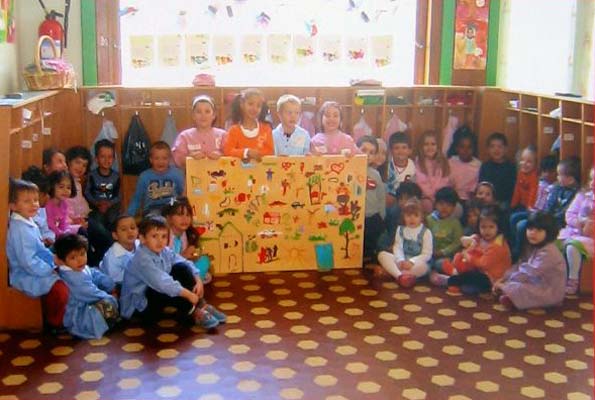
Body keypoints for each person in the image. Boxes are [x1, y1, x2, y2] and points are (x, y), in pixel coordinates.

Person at [120, 215, 226, 329]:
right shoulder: (141, 258)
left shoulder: (164, 251)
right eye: (154, 236)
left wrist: (198, 279)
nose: (160, 241)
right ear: (142, 238)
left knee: (181, 268)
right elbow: (161, 282)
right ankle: (194, 312)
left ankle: (200, 305)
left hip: (156, 293)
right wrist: (189, 295)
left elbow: (184, 262)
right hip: (138, 307)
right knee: (168, 285)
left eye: (164, 236)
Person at [6, 179, 69, 330]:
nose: (34, 204)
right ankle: (54, 322)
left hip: (36, 268)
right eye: (27, 201)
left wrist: (54, 259)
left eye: (35, 200)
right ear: (13, 206)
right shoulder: (19, 229)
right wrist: (50, 268)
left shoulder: (28, 221)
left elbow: (40, 249)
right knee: (60, 289)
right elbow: (28, 262)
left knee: (69, 273)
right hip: (25, 274)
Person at [493, 212, 566, 309]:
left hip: (549, 291)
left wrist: (504, 284)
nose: (532, 233)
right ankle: (511, 296)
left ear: (549, 233)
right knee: (514, 283)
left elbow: (530, 272)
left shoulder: (549, 252)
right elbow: (521, 265)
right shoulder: (534, 247)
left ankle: (511, 297)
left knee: (518, 287)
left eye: (539, 230)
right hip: (536, 283)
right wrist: (505, 278)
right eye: (530, 229)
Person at [434, 205, 512, 295]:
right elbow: (464, 241)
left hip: (490, 279)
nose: (487, 231)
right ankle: (456, 276)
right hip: (476, 270)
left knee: (471, 282)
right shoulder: (481, 238)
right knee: (440, 263)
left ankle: (450, 280)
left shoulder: (498, 245)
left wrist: (469, 258)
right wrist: (469, 239)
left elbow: (483, 264)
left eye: (491, 227)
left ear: (498, 227)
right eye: (483, 227)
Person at [55, 234, 119, 339]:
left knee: (108, 295)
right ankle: (105, 324)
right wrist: (113, 297)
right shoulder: (73, 278)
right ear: (63, 261)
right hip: (80, 315)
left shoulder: (77, 268)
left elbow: (94, 273)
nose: (80, 260)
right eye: (73, 257)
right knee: (109, 303)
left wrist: (109, 283)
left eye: (82, 254)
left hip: (87, 303)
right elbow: (92, 294)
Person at [510, 154, 558, 260]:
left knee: (522, 225)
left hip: (543, 216)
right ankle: (514, 245)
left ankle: (519, 251)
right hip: (534, 211)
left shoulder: (555, 187)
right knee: (514, 217)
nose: (547, 174)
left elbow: (549, 208)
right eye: (544, 171)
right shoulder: (541, 183)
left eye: (551, 172)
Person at [377, 199, 432, 288]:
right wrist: (400, 260)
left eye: (416, 215)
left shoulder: (426, 232)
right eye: (408, 216)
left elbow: (427, 254)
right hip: (402, 261)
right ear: (403, 217)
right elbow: (397, 247)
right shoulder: (400, 229)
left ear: (421, 217)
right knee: (382, 255)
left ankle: (392, 273)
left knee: (423, 267)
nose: (412, 219)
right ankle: (400, 276)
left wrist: (412, 261)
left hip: (416, 263)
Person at [558, 167, 594, 295]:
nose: (592, 183)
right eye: (591, 179)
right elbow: (569, 215)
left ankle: (573, 280)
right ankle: (553, 278)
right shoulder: (583, 196)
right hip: (573, 232)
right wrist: (581, 222)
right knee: (550, 243)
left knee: (572, 247)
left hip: (590, 239)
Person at [127, 141, 185, 217]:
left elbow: (183, 194)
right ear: (151, 160)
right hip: (152, 208)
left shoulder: (176, 174)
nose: (160, 162)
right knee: (155, 220)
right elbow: (137, 198)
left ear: (170, 159)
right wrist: (129, 215)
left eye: (164, 158)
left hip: (171, 206)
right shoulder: (144, 177)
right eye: (156, 158)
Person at [162, 197, 212, 283]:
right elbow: (162, 264)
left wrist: (193, 257)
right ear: (168, 218)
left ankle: (193, 283)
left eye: (188, 215)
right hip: (168, 272)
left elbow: (189, 261)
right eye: (180, 215)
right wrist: (183, 256)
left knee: (204, 260)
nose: (185, 219)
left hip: (183, 269)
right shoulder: (163, 236)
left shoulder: (189, 235)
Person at [172, 95, 225, 169]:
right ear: (193, 115)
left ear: (213, 115)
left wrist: (221, 155)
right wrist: (190, 158)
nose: (203, 115)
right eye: (199, 112)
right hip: (193, 175)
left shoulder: (223, 135)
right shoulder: (184, 136)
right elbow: (177, 159)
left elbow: (232, 155)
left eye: (207, 111)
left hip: (220, 175)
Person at [356, 135, 386, 263]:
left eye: (372, 152)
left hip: (372, 217)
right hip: (355, 216)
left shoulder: (375, 174)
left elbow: (381, 196)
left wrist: (381, 215)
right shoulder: (350, 170)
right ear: (356, 149)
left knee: (370, 247)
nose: (367, 155)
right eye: (363, 150)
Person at [222, 88, 274, 162]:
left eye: (258, 106)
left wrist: (257, 154)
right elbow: (228, 151)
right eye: (250, 104)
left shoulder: (266, 129)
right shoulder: (234, 130)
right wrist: (246, 152)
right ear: (242, 104)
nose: (254, 108)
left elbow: (270, 151)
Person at [85, 139, 121, 234]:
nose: (106, 160)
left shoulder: (116, 176)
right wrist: (97, 203)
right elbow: (87, 193)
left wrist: (109, 204)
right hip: (96, 207)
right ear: (96, 159)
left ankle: (112, 238)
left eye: (110, 157)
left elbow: (118, 195)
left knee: (114, 219)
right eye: (103, 157)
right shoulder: (92, 175)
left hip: (111, 206)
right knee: (97, 220)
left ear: (114, 159)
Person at [426, 187, 463, 277]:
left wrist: (443, 252)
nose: (444, 208)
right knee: (425, 264)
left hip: (447, 256)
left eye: (448, 205)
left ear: (454, 207)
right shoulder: (429, 219)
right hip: (429, 254)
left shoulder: (455, 223)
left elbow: (457, 242)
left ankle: (450, 275)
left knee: (440, 263)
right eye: (441, 204)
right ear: (435, 204)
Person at [414, 130, 451, 213]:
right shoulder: (418, 163)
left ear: (438, 146)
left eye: (433, 144)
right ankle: (431, 220)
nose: (430, 147)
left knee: (456, 208)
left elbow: (445, 181)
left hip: (441, 197)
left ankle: (444, 220)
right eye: (426, 144)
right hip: (425, 197)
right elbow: (421, 183)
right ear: (421, 147)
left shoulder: (443, 162)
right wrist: (433, 198)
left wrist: (439, 197)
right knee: (427, 205)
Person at [99, 214, 139, 289]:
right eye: (124, 229)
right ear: (115, 235)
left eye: (132, 228)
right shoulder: (111, 257)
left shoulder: (141, 245)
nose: (130, 231)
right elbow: (115, 280)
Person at [478, 132, 516, 209]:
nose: (496, 149)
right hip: (487, 200)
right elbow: (482, 185)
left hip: (504, 202)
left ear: (506, 149)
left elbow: (512, 189)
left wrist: (498, 202)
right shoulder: (485, 166)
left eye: (500, 146)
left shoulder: (511, 167)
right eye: (492, 146)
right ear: (488, 149)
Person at [45, 170, 87, 237]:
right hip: (51, 234)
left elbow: (64, 224)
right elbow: (51, 226)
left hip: (62, 232)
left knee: (81, 229)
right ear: (52, 186)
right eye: (61, 187)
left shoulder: (64, 204)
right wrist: (63, 235)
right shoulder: (48, 205)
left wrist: (66, 233)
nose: (65, 190)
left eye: (68, 188)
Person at [21, 166, 55, 246]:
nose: (48, 197)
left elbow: (47, 231)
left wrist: (49, 238)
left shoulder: (42, 210)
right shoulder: (23, 215)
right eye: (44, 194)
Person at [448, 129, 481, 203]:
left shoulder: (478, 166)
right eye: (462, 147)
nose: (465, 150)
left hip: (470, 201)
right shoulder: (451, 162)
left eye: (469, 147)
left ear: (473, 149)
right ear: (457, 148)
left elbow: (478, 188)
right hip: (452, 199)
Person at [65, 146, 92, 227]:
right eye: (77, 162)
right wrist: (76, 221)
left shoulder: (77, 183)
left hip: (82, 218)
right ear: (69, 162)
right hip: (71, 221)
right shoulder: (65, 182)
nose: (80, 167)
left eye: (84, 165)